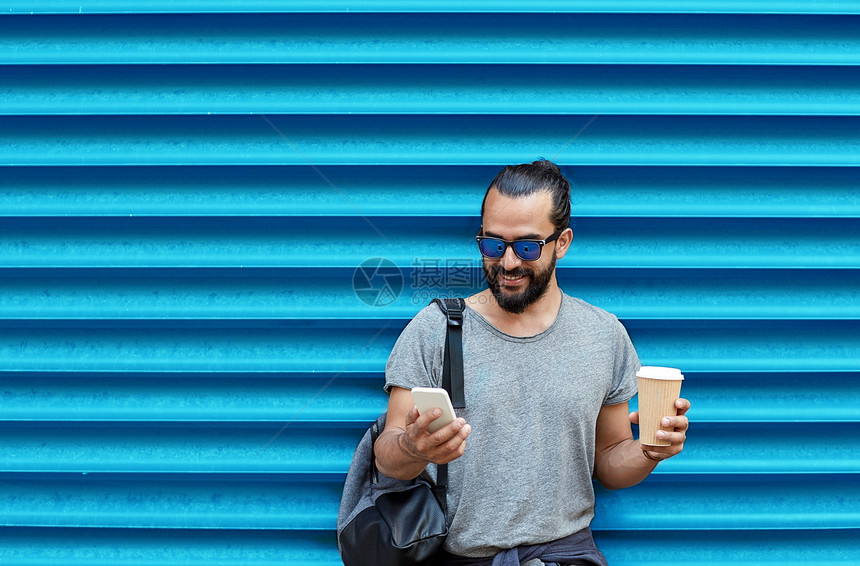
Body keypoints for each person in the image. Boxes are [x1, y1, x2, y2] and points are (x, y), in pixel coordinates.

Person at [374, 159, 690, 566]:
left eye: (526, 247)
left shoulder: (604, 334)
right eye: (493, 244)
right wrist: (413, 447)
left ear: (562, 242)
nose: (507, 263)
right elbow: (387, 458)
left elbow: (609, 463)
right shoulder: (435, 329)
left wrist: (650, 449)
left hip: (566, 556)